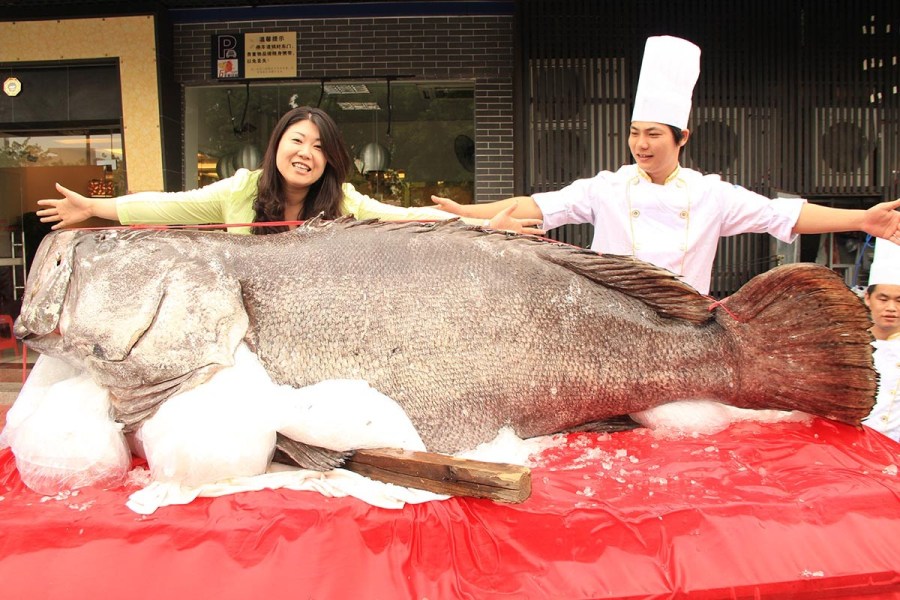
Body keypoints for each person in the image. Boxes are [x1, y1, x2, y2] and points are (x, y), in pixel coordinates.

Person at [430, 36, 900, 295]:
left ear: (682, 138)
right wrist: (466, 210)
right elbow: (534, 205)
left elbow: (787, 216)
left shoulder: (711, 194)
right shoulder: (608, 188)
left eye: (653, 134)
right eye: (635, 133)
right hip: (610, 315)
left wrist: (862, 219)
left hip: (683, 324)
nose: (641, 144)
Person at [36, 106, 484, 234]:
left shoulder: (343, 201)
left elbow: (401, 217)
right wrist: (93, 206)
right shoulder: (240, 190)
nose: (306, 153)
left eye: (319, 147)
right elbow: (170, 205)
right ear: (277, 147)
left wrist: (476, 222)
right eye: (298, 141)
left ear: (329, 160)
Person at [862, 238, 900, 442]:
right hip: (853, 451)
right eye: (883, 299)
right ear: (868, 298)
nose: (891, 308)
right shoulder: (846, 347)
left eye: (899, 300)